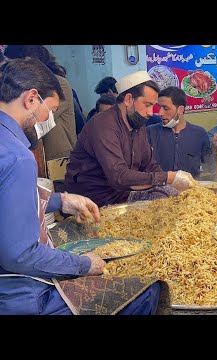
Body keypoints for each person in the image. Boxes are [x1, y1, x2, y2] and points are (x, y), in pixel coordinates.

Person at [0, 58, 164, 315]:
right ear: (31, 99)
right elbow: (20, 256)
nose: (50, 119)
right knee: (145, 291)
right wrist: (83, 265)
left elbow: (10, 197)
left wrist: (61, 200)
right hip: (18, 293)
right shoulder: (18, 157)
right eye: (51, 110)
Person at [64, 71, 195, 207]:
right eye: (147, 105)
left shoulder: (138, 123)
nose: (151, 113)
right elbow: (119, 176)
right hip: (93, 200)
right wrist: (168, 177)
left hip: (122, 193)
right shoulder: (103, 125)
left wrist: (172, 182)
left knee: (175, 196)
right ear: (128, 99)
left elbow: (149, 165)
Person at [4, 45, 77, 161]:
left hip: (57, 156)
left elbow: (38, 120)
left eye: (11, 62)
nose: (8, 68)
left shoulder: (57, 85)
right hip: (36, 154)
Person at [147, 86, 212, 178]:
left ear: (180, 110)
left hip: (191, 190)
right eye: (159, 107)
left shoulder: (199, 134)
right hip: (159, 190)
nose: (160, 113)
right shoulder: (150, 132)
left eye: (165, 108)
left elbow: (209, 166)